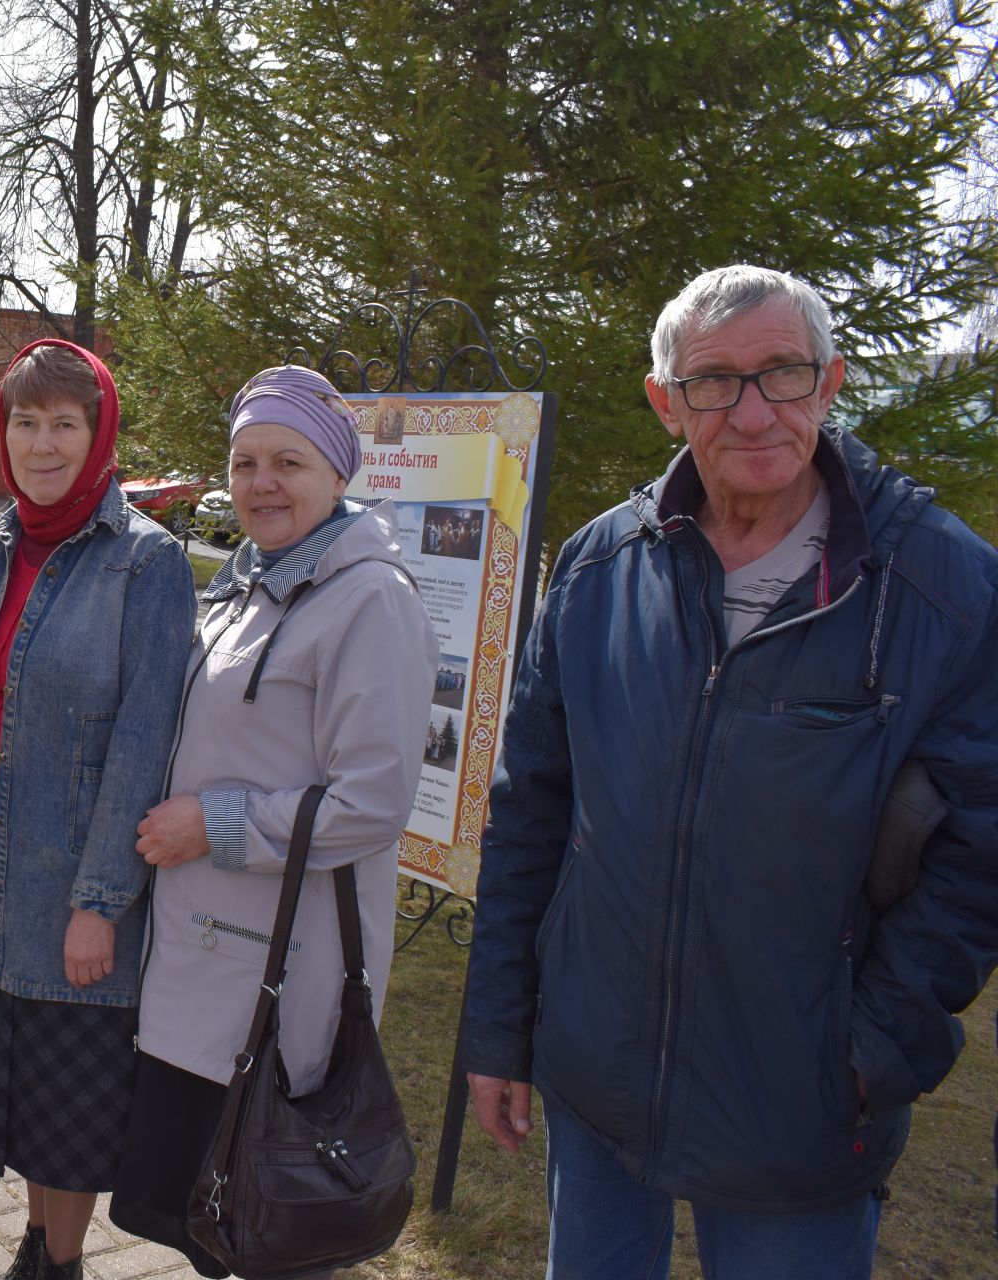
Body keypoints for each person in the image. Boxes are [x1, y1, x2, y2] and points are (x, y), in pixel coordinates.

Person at [461, 265, 998, 1279]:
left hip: (798, 1105)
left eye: (783, 374)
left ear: (830, 383)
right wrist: (500, 1026)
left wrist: (875, 1049)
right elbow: (530, 809)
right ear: (668, 404)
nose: (753, 412)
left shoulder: (946, 588)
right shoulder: (596, 571)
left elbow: (981, 849)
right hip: (599, 1078)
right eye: (714, 381)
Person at [110, 364, 437, 1276]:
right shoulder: (246, 585)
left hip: (283, 968)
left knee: (274, 1211)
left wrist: (212, 826)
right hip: (202, 958)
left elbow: (369, 803)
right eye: (245, 461)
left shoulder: (370, 601)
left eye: (288, 461)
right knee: (216, 1214)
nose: (261, 483)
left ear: (337, 475)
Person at [0, 340, 195, 1280]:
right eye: (25, 422)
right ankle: (43, 1242)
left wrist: (100, 900)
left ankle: (60, 1261)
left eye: (64, 424)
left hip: (73, 885)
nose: (42, 444)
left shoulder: (147, 563)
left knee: (68, 1104)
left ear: (99, 436)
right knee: (23, 1097)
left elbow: (144, 740)